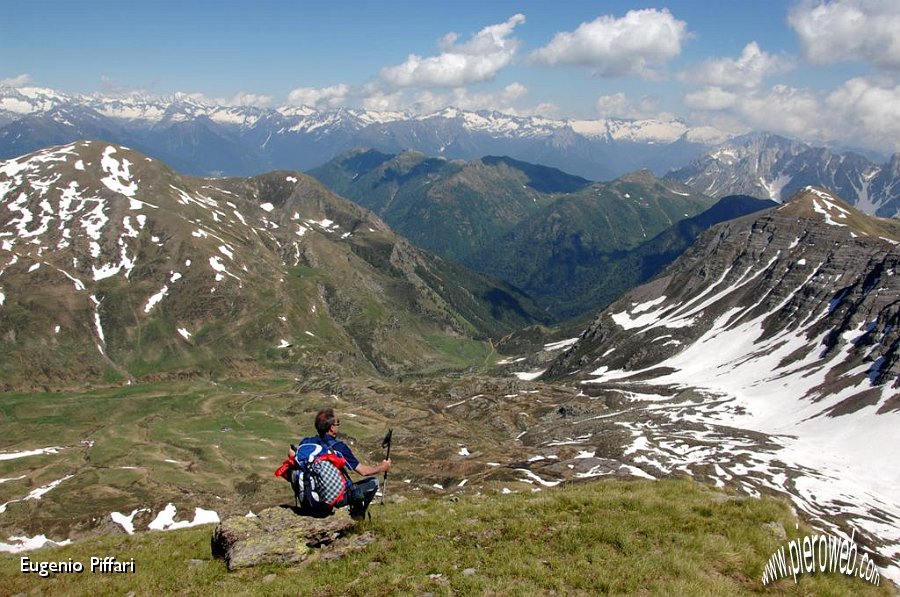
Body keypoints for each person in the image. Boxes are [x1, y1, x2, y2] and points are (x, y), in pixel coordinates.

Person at [294, 407, 391, 519]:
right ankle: (358, 517)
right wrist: (383, 467)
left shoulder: (306, 443)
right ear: (331, 428)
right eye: (338, 423)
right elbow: (363, 471)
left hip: (312, 497)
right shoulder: (338, 447)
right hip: (334, 498)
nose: (338, 426)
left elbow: (292, 454)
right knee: (372, 483)